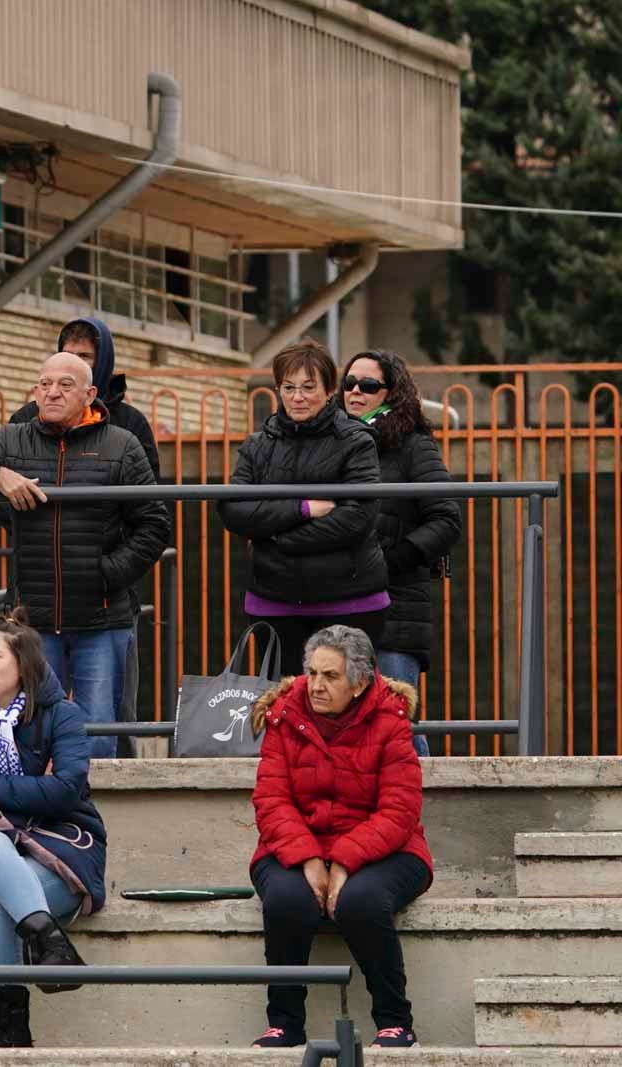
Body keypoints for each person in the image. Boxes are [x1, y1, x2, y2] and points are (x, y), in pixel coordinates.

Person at [0, 351, 170, 759]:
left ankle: (93, 820)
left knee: (97, 736)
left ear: (90, 394)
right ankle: (33, 819)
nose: (52, 393)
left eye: (65, 385)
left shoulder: (121, 445)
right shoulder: (13, 439)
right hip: (32, 622)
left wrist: (106, 573)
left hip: (101, 618)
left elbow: (155, 525)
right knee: (29, 734)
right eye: (44, 384)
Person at [248, 625, 431, 1050]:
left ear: (360, 682)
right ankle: (284, 1023)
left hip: (388, 851)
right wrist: (309, 858)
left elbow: (400, 810)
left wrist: (345, 860)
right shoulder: (283, 716)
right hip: (295, 846)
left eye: (330, 676)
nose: (315, 685)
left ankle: (395, 1020)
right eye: (312, 673)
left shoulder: (390, 719)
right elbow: (271, 800)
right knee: (287, 900)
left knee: (362, 902)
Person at [0, 609, 108, 1049]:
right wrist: (33, 793)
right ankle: (52, 942)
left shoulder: (62, 715)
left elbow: (67, 791)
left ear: (23, 664)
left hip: (59, 846)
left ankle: (11, 1020)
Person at [217, 338, 388, 659]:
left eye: (308, 387)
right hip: (273, 596)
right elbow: (233, 510)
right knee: (284, 703)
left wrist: (278, 537)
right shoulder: (257, 444)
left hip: (348, 598)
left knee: (344, 702)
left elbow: (357, 518)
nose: (297, 397)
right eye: (288, 387)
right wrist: (303, 509)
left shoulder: (356, 441)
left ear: (329, 391)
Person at [340, 350, 461, 757]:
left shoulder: (412, 445)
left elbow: (446, 519)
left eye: (368, 385)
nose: (355, 392)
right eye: (349, 383)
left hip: (395, 608)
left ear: (392, 392)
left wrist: (390, 561)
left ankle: (422, 812)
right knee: (344, 729)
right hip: (337, 602)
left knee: (396, 725)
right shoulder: (332, 443)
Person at [8, 316, 160, 478]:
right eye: (67, 355)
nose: (73, 364)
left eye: (84, 356)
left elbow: (147, 493)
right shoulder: (26, 417)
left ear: (103, 362)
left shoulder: (130, 422)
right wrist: (1, 475)